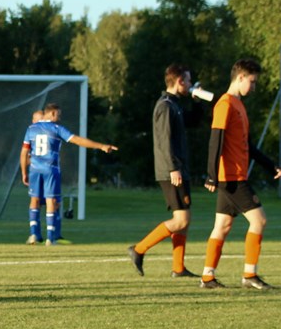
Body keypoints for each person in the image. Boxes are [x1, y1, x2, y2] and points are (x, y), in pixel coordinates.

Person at [200, 59, 281, 290]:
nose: (254, 87)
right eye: (252, 82)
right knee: (259, 220)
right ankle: (249, 274)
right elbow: (215, 140)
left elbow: (248, 145)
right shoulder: (225, 104)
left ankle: (207, 277)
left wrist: (270, 165)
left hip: (234, 176)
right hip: (231, 177)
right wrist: (211, 175)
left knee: (223, 225)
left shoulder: (238, 105)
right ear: (240, 77)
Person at [127, 63, 206, 278]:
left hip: (179, 169)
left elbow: (194, 121)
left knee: (184, 220)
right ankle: (139, 249)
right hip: (171, 170)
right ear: (179, 81)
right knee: (181, 220)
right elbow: (164, 141)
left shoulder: (175, 105)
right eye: (188, 80)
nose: (190, 84)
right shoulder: (165, 106)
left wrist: (197, 101)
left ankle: (178, 268)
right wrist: (173, 168)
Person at [20, 104, 117, 246]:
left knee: (34, 200)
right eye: (58, 114)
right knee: (51, 201)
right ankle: (50, 238)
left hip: (34, 169)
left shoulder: (31, 129)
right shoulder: (56, 128)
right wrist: (101, 146)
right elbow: (77, 140)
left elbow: (24, 153)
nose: (60, 117)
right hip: (50, 169)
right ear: (52, 113)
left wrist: (24, 172)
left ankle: (34, 234)